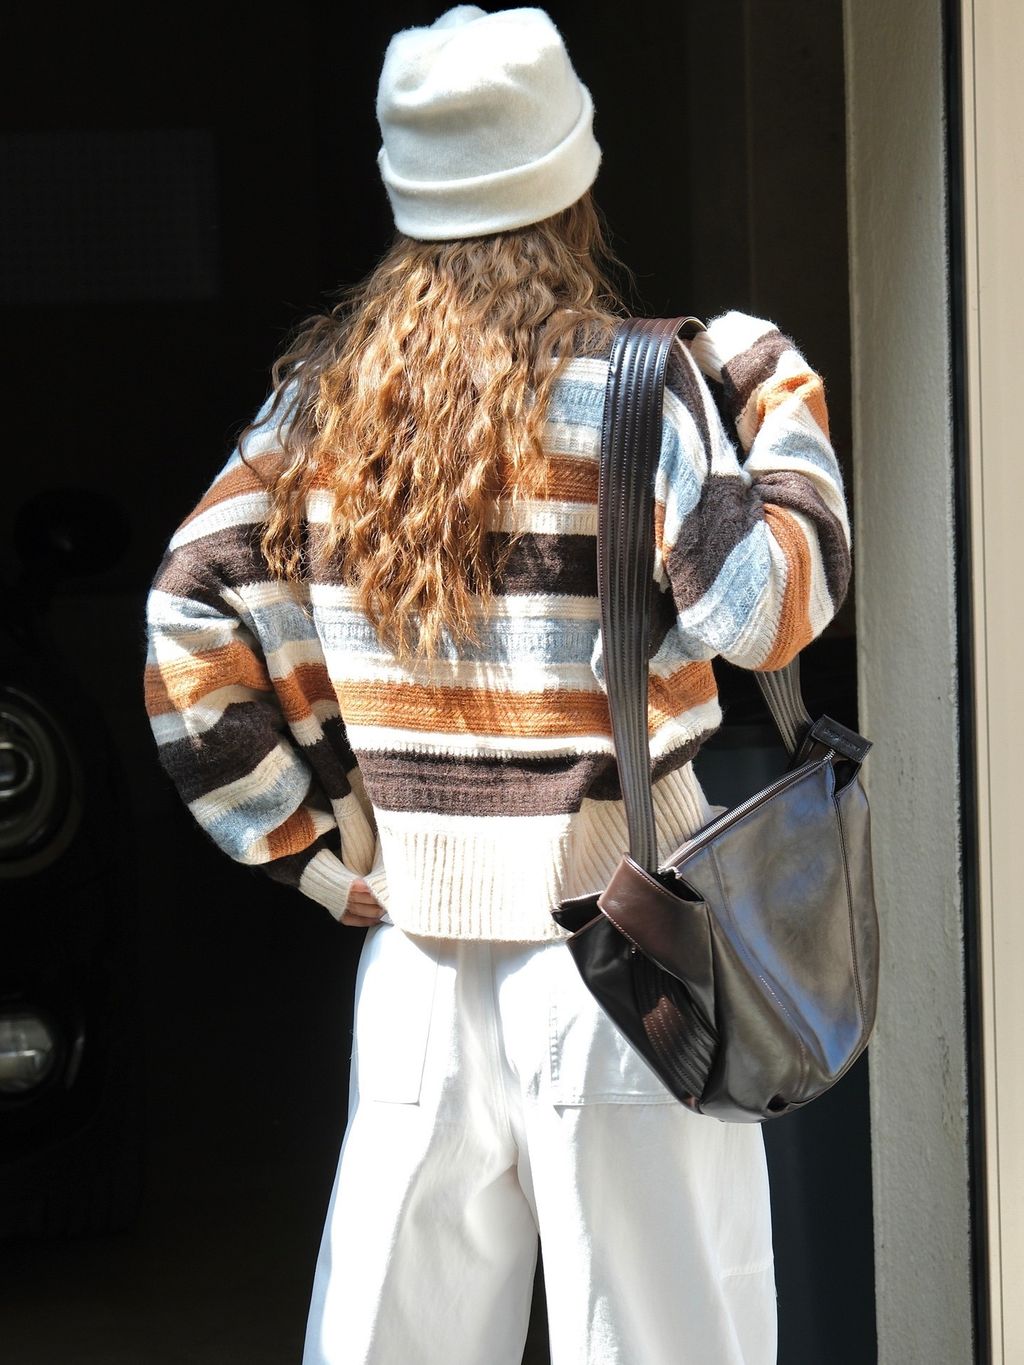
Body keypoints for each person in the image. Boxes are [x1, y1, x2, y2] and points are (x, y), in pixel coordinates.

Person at [142, 5, 851, 1362]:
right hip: (629, 955)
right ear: (573, 188)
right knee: (665, 1340)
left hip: (416, 966)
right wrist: (777, 386)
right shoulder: (637, 387)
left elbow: (188, 615)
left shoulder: (319, 408)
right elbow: (766, 612)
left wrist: (314, 852)